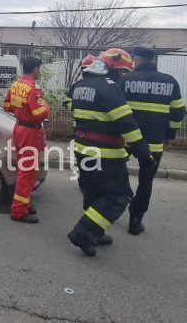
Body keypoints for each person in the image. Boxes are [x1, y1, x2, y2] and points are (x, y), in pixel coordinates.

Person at [66, 48, 155, 257]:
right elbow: (126, 123)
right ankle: (84, 233)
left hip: (82, 149)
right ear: (112, 67)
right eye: (122, 71)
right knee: (118, 196)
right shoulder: (110, 89)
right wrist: (143, 153)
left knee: (92, 193)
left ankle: (95, 232)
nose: (123, 76)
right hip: (105, 154)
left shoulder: (81, 86)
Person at [119, 47, 186, 236]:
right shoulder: (170, 82)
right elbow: (178, 112)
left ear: (138, 61)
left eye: (133, 60)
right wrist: (169, 136)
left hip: (126, 141)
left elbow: (115, 107)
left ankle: (123, 194)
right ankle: (135, 220)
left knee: (116, 169)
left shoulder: (125, 80)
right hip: (154, 143)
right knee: (146, 181)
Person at [3, 56, 49, 224]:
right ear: (35, 69)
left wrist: (21, 111)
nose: (40, 72)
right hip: (30, 131)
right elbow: (40, 113)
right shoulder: (33, 88)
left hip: (20, 129)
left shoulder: (16, 84)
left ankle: (25, 203)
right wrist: (46, 106)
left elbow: (7, 106)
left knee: (27, 169)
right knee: (28, 171)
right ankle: (18, 211)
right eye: (39, 69)